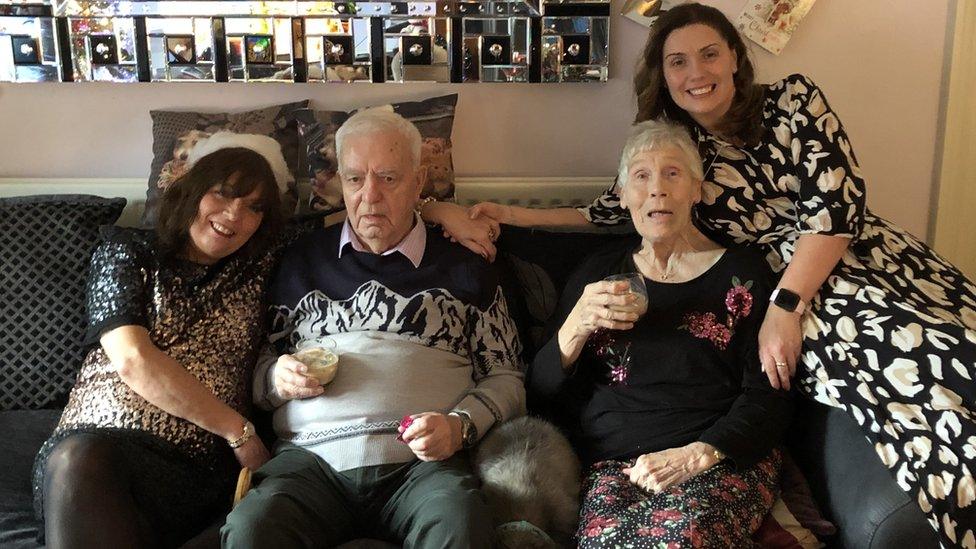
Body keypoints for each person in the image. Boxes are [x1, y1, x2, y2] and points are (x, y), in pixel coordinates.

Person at [464, 3, 976, 543]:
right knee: (905, 412)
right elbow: (606, 209)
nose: (696, 73)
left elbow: (835, 210)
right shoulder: (682, 150)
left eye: (710, 54)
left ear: (735, 57)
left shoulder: (791, 102)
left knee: (944, 354)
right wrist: (503, 215)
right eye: (677, 61)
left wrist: (785, 306)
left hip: (845, 268)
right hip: (783, 301)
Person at [221, 109, 525, 548]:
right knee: (253, 529)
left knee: (459, 524)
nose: (370, 197)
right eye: (354, 180)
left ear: (419, 183)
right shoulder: (297, 260)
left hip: (421, 467)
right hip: (309, 464)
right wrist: (276, 376)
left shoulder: (466, 262)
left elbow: (508, 377)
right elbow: (256, 372)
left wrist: (460, 426)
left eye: (388, 178)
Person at [528, 119, 792, 547]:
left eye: (673, 173)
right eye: (641, 176)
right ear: (622, 194)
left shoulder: (742, 276)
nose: (657, 189)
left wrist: (697, 455)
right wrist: (575, 326)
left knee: (680, 539)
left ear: (696, 189)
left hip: (717, 459)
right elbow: (539, 393)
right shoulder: (598, 274)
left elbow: (770, 396)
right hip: (616, 466)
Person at [32, 132, 291, 548]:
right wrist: (239, 433)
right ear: (191, 191)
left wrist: (429, 205)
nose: (233, 214)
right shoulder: (127, 251)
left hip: (197, 469)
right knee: (77, 458)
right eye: (222, 194)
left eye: (253, 207)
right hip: (95, 458)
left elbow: (362, 219)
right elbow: (132, 359)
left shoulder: (262, 263)